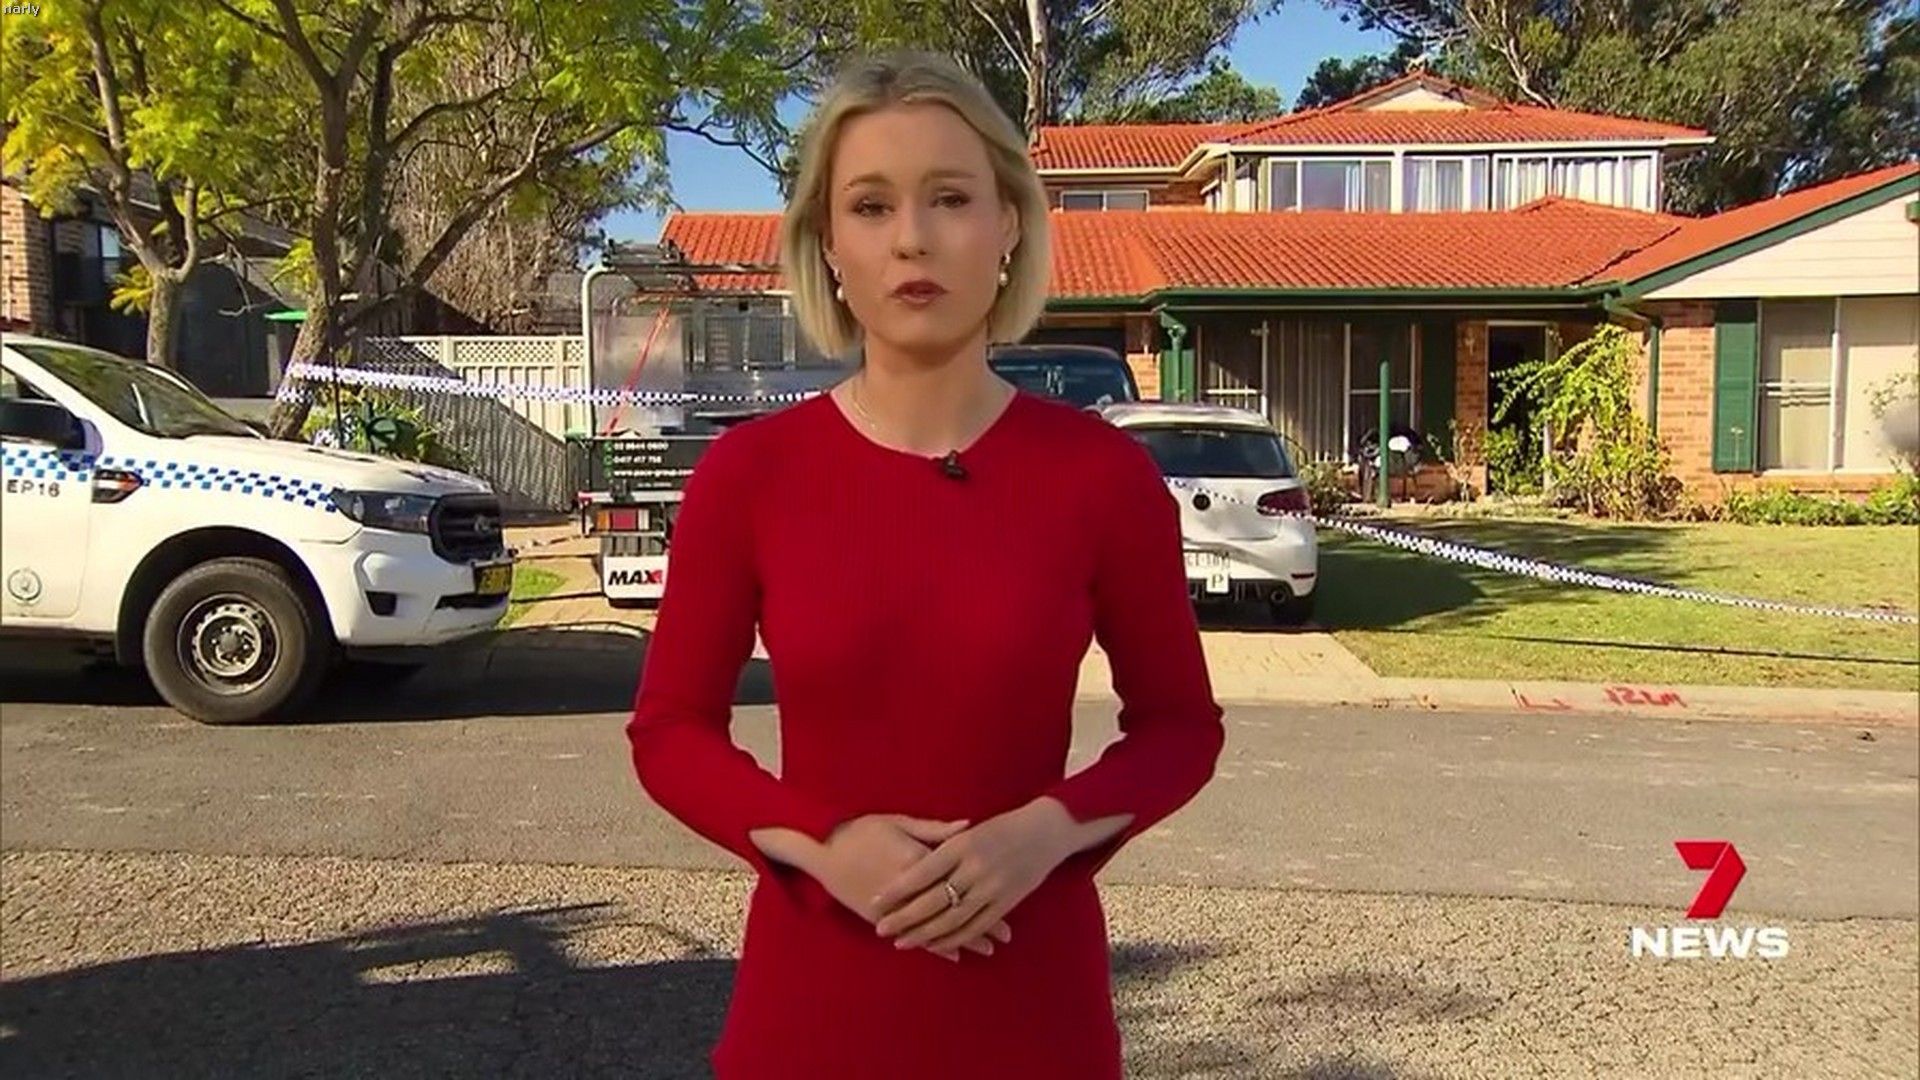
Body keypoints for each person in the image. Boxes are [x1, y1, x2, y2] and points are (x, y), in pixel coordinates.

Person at [625, 49, 1226, 1079]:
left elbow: (1180, 728)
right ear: (828, 244)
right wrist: (821, 841)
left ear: (1009, 225)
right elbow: (670, 731)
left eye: (950, 197)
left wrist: (1047, 831)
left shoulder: (1102, 477)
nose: (913, 237)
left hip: (1035, 1017)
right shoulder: (750, 476)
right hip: (810, 1017)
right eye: (871, 206)